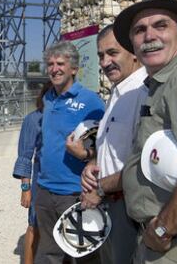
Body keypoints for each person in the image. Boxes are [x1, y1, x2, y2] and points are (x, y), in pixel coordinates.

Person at [82, 0, 177, 263]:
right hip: (168, 238)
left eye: (160, 25)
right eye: (140, 30)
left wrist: (163, 228)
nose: (149, 36)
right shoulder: (161, 85)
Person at [66, 24, 148, 264]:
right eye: (101, 55)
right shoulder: (118, 91)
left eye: (113, 53)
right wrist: (92, 160)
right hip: (110, 202)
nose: (104, 62)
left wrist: (98, 189)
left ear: (134, 52)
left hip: (126, 205)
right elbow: (116, 147)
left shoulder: (141, 93)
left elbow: (142, 163)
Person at [34, 40, 105, 263]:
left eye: (60, 63)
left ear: (74, 69)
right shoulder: (48, 98)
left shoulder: (91, 101)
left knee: (83, 254)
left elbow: (103, 146)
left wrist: (85, 156)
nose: (54, 69)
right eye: (50, 64)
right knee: (48, 253)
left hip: (75, 192)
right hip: (45, 190)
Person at [12, 81, 51, 264]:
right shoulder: (33, 119)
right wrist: (26, 188)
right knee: (34, 226)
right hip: (39, 183)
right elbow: (25, 156)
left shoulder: (72, 117)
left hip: (68, 183)